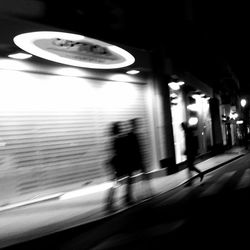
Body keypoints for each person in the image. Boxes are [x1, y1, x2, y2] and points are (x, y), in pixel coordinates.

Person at [105, 121, 133, 211]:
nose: (121, 128)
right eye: (119, 127)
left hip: (116, 163)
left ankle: (110, 203)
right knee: (126, 179)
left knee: (117, 182)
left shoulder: (113, 139)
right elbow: (122, 152)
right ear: (117, 129)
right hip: (120, 163)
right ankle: (126, 199)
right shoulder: (118, 139)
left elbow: (112, 153)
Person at [126, 118, 153, 199]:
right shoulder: (132, 135)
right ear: (134, 124)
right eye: (136, 123)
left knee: (132, 177)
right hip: (136, 159)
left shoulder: (132, 134)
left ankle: (130, 195)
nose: (138, 125)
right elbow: (135, 149)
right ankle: (146, 192)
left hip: (135, 159)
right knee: (141, 175)